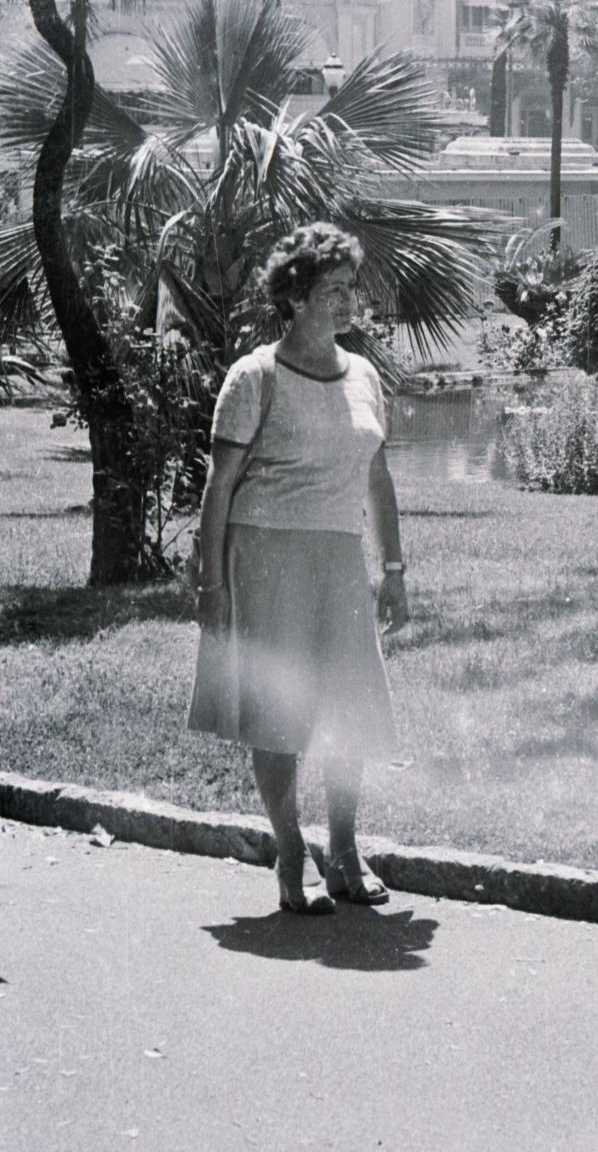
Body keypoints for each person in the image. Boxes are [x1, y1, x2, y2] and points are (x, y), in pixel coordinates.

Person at [188, 222, 408, 915]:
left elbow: (377, 478)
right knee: (280, 713)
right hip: (266, 554)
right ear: (295, 297)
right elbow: (218, 487)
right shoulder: (255, 375)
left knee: (352, 705)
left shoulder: (365, 375)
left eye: (350, 288)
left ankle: (343, 847)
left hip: (339, 557)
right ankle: (290, 851)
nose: (348, 303)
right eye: (332, 290)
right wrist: (213, 585)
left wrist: (394, 566)